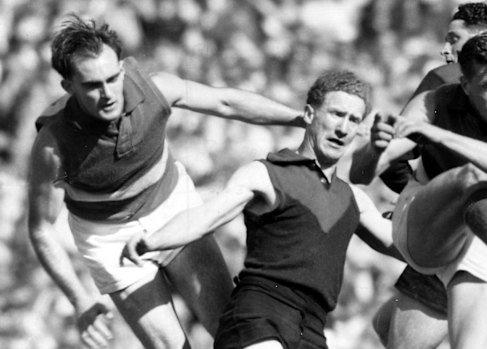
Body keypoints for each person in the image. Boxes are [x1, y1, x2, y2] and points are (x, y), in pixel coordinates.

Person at [27, 14, 306, 349]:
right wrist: (79, 299)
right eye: (91, 85)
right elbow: (41, 229)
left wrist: (301, 119)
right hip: (109, 239)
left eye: (113, 78)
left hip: (173, 208)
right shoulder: (53, 143)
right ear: (68, 86)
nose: (108, 93)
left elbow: (226, 101)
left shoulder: (154, 86)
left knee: (235, 334)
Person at [121, 70, 398, 349]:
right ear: (310, 114)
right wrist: (153, 240)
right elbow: (206, 217)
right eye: (336, 114)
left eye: (353, 120)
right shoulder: (265, 174)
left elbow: (403, 245)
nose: (343, 128)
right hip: (259, 315)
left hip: (312, 330)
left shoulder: (355, 199)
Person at [355, 3, 487, 348]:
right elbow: (379, 163)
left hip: (485, 240)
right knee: (475, 180)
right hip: (453, 230)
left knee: (398, 334)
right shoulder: (442, 90)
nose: (446, 49)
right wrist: (427, 200)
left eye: (454, 39)